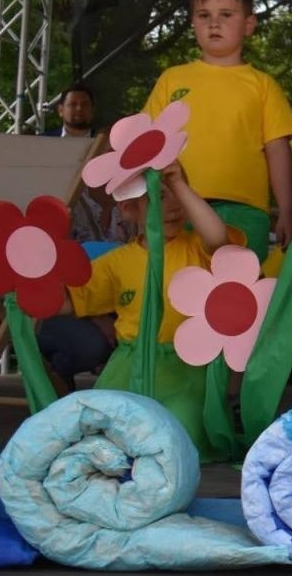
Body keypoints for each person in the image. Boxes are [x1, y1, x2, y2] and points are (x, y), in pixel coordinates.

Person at [62, 161, 236, 458]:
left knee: (182, 434)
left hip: (185, 368)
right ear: (130, 209)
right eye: (159, 196)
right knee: (98, 427)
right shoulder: (115, 262)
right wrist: (23, 288)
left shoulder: (196, 247)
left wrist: (178, 182)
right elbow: (68, 302)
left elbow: (219, 238)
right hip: (129, 364)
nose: (173, 207)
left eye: (179, 194)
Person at [144, 0, 292, 262]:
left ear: (249, 25)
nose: (213, 23)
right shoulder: (171, 79)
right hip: (179, 208)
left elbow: (278, 150)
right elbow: (148, 144)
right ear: (193, 23)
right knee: (176, 293)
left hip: (245, 210)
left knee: (237, 298)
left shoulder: (262, 84)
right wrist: (141, 205)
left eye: (226, 14)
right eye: (204, 15)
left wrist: (288, 211)